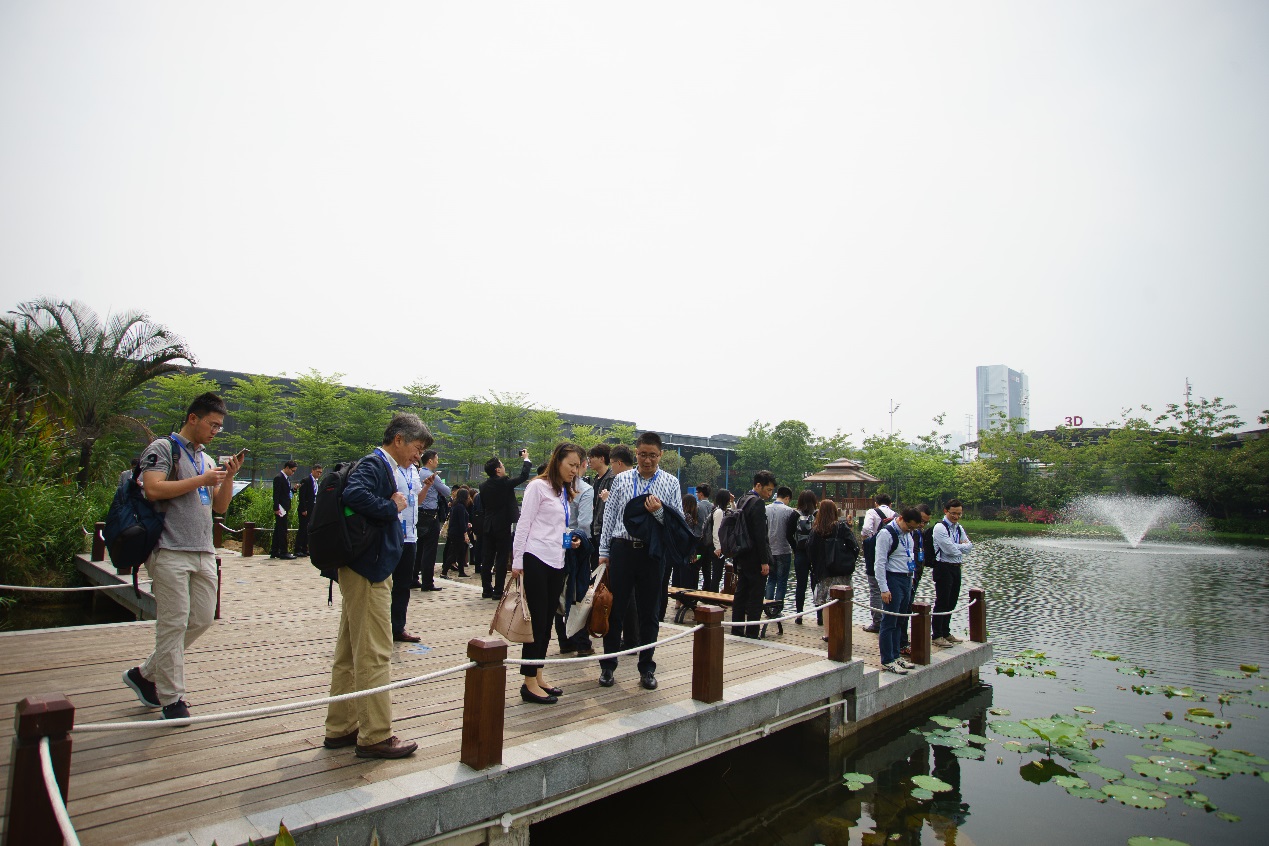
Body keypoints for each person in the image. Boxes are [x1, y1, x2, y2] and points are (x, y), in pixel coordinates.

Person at [122, 393, 244, 720]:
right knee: (173, 623)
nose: (216, 431)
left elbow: (219, 506)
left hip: (203, 550)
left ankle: (145, 674)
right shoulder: (163, 448)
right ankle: (172, 699)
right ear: (193, 418)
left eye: (219, 427)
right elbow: (153, 488)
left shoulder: (206, 459)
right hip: (169, 549)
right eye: (212, 424)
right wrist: (201, 480)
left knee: (202, 618)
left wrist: (227, 476)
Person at [323, 413, 431, 759]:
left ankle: (341, 726)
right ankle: (375, 735)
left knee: (349, 652)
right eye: (417, 448)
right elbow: (355, 494)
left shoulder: (378, 465)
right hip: (369, 571)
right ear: (398, 439)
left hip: (361, 568)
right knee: (374, 651)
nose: (418, 455)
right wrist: (391, 506)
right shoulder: (376, 464)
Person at [597, 432, 684, 690]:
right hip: (622, 549)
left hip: (652, 554)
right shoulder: (621, 479)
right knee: (615, 609)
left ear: (661, 455)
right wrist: (604, 551)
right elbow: (609, 516)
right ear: (636, 453)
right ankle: (608, 666)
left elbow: (677, 522)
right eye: (643, 454)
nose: (647, 460)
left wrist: (659, 512)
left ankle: (647, 668)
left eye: (652, 455)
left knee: (650, 612)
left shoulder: (670, 483)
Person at [512, 443, 587, 704]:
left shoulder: (563, 491)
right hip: (536, 558)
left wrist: (570, 542)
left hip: (557, 560)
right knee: (537, 622)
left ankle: (538, 675)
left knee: (547, 622)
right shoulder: (537, 487)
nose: (574, 470)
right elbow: (524, 524)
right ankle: (528, 682)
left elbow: (558, 526)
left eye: (577, 466)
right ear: (557, 461)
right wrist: (517, 561)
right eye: (571, 465)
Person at [389, 450, 436, 644]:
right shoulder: (391, 469)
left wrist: (426, 487)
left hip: (410, 535)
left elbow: (417, 501)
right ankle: (382, 627)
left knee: (403, 584)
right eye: (416, 450)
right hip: (393, 534)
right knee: (386, 584)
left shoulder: (414, 472)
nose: (418, 456)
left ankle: (398, 627)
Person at [478, 449, 534, 599]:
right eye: (502, 466)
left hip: (488, 525)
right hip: (502, 525)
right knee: (502, 559)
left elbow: (484, 506)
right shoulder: (504, 483)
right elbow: (523, 476)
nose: (503, 468)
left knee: (487, 559)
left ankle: (486, 589)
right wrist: (526, 459)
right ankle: (498, 591)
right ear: (497, 470)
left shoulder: (483, 486)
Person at [875, 506, 923, 675]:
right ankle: (887, 659)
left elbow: (910, 556)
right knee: (889, 621)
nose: (910, 530)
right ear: (901, 518)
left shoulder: (909, 534)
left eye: (913, 528)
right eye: (909, 526)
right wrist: (884, 588)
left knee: (900, 621)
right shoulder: (886, 534)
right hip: (892, 578)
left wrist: (912, 579)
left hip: (906, 578)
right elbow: (879, 563)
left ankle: (896, 655)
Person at [731, 471, 776, 638]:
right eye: (768, 489)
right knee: (755, 597)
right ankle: (752, 632)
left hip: (742, 553)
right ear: (758, 485)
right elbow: (760, 535)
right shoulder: (757, 503)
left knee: (741, 594)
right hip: (755, 557)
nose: (769, 494)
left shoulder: (743, 499)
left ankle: (736, 629)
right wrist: (764, 561)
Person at [807, 498, 860, 628]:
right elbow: (855, 546)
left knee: (826, 604)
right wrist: (848, 560)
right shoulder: (841, 527)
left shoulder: (816, 530)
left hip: (824, 572)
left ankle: (827, 632)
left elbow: (810, 550)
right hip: (842, 571)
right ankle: (842, 629)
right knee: (843, 601)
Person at [931, 499, 973, 648]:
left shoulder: (959, 528)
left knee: (952, 601)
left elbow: (969, 547)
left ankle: (946, 631)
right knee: (942, 601)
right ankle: (937, 635)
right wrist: (961, 547)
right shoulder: (940, 528)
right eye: (953, 513)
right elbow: (949, 550)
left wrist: (960, 547)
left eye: (959, 514)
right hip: (943, 566)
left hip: (956, 567)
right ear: (946, 511)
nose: (956, 516)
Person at [414, 449, 451, 591]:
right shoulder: (432, 476)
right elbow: (446, 491)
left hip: (418, 513)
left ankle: (413, 578)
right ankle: (427, 582)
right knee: (430, 550)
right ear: (430, 461)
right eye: (436, 459)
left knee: (418, 548)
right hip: (430, 514)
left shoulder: (417, 473)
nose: (437, 461)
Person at [899, 504, 933, 656]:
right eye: (921, 521)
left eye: (926, 522)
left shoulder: (918, 533)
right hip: (907, 576)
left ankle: (903, 641)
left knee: (908, 609)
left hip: (915, 575)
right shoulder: (907, 533)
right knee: (903, 610)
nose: (922, 524)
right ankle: (901, 643)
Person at [859, 493, 896, 632]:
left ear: (876, 503)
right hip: (891, 554)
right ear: (890, 504)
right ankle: (889, 620)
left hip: (874, 553)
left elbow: (866, 529)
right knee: (888, 586)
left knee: (875, 589)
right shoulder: (895, 515)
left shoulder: (872, 512)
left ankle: (877, 622)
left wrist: (869, 540)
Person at [764, 486, 799, 614]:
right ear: (787, 498)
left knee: (771, 580)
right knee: (782, 581)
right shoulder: (789, 511)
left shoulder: (766, 509)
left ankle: (767, 607)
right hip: (784, 550)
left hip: (769, 550)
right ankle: (777, 609)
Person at [791, 490, 818, 624]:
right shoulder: (817, 514)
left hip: (800, 553)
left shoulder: (795, 514)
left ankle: (799, 615)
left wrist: (795, 548)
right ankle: (820, 616)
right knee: (816, 585)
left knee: (801, 585)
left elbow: (788, 533)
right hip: (815, 555)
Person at [705, 488, 734, 593]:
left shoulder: (719, 510)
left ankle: (713, 595)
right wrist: (718, 548)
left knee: (717, 574)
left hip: (716, 546)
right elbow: (716, 531)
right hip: (716, 547)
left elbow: (734, 514)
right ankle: (713, 596)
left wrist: (732, 502)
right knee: (717, 574)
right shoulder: (719, 512)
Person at [441, 488, 473, 578]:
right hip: (458, 533)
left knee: (461, 552)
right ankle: (444, 572)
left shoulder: (456, 506)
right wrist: (465, 534)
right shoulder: (460, 507)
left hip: (454, 532)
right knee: (454, 553)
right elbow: (461, 522)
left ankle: (461, 571)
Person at [271, 461, 298, 559]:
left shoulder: (286, 478)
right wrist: (276, 508)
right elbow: (276, 494)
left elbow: (286, 493)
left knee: (278, 529)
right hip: (281, 508)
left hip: (285, 507)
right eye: (292, 470)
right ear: (287, 468)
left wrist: (294, 490)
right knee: (282, 530)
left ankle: (274, 551)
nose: (293, 473)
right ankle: (283, 552)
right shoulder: (279, 478)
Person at [295, 464, 322, 556]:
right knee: (302, 528)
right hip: (306, 508)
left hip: (313, 507)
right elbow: (302, 496)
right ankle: (298, 549)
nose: (319, 474)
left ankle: (305, 548)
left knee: (308, 529)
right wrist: (303, 508)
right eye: (318, 472)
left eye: (320, 473)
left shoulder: (316, 482)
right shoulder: (306, 480)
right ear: (313, 471)